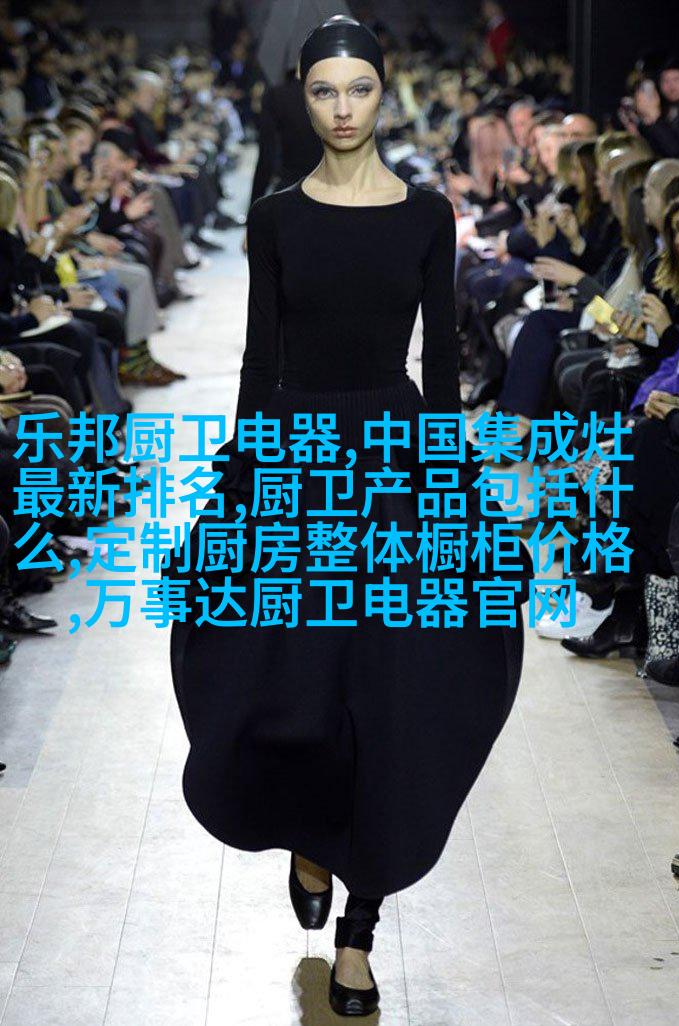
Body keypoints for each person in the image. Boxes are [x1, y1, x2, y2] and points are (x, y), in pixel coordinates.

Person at [164, 16, 531, 1018]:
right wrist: (239, 477)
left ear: (381, 91)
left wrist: (451, 485)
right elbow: (258, 355)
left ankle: (359, 935)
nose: (340, 109)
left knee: (396, 689)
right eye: (323, 91)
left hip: (397, 460)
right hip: (295, 456)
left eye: (357, 89)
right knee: (294, 679)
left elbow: (442, 361)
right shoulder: (276, 216)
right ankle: (309, 835)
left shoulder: (425, 214)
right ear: (302, 96)